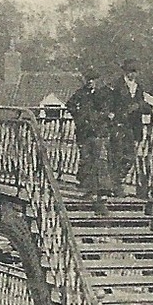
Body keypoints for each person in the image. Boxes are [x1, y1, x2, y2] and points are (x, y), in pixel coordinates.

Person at [67, 68, 111, 211]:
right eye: (88, 79)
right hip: (84, 133)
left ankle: (102, 194)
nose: (91, 82)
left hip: (99, 132)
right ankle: (91, 190)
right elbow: (70, 105)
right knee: (87, 160)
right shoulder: (80, 94)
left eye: (93, 79)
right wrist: (80, 118)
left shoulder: (102, 94)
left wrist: (99, 118)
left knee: (101, 161)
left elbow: (107, 111)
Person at [107, 59, 148, 196]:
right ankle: (116, 185)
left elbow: (142, 103)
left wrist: (146, 108)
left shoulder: (138, 87)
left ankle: (117, 181)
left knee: (130, 157)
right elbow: (109, 104)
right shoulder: (116, 86)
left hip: (134, 127)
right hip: (120, 126)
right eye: (131, 71)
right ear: (125, 71)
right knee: (117, 156)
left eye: (135, 72)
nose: (134, 74)